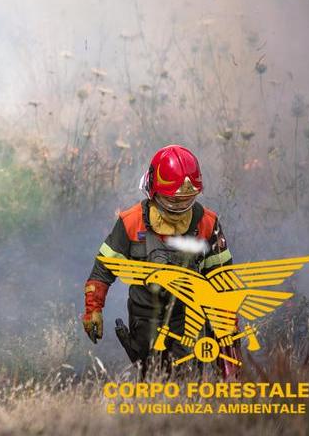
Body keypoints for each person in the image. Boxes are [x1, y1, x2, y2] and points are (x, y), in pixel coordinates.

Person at [81, 144, 234, 375]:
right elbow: (103, 269)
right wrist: (93, 308)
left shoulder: (207, 224)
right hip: (144, 319)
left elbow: (224, 285)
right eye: (173, 200)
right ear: (153, 190)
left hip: (188, 318)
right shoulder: (131, 223)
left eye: (187, 200)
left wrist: (228, 341)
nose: (180, 206)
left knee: (186, 380)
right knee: (152, 377)